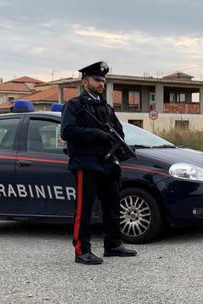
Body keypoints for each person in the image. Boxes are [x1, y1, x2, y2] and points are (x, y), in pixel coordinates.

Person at [60, 61, 137, 265]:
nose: (101, 84)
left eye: (103, 80)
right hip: (86, 164)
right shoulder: (75, 105)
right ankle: (81, 250)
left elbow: (118, 131)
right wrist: (96, 134)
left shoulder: (106, 108)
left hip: (108, 163)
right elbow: (67, 132)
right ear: (85, 82)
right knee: (84, 210)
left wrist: (118, 147)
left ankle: (112, 245)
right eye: (97, 80)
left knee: (112, 206)